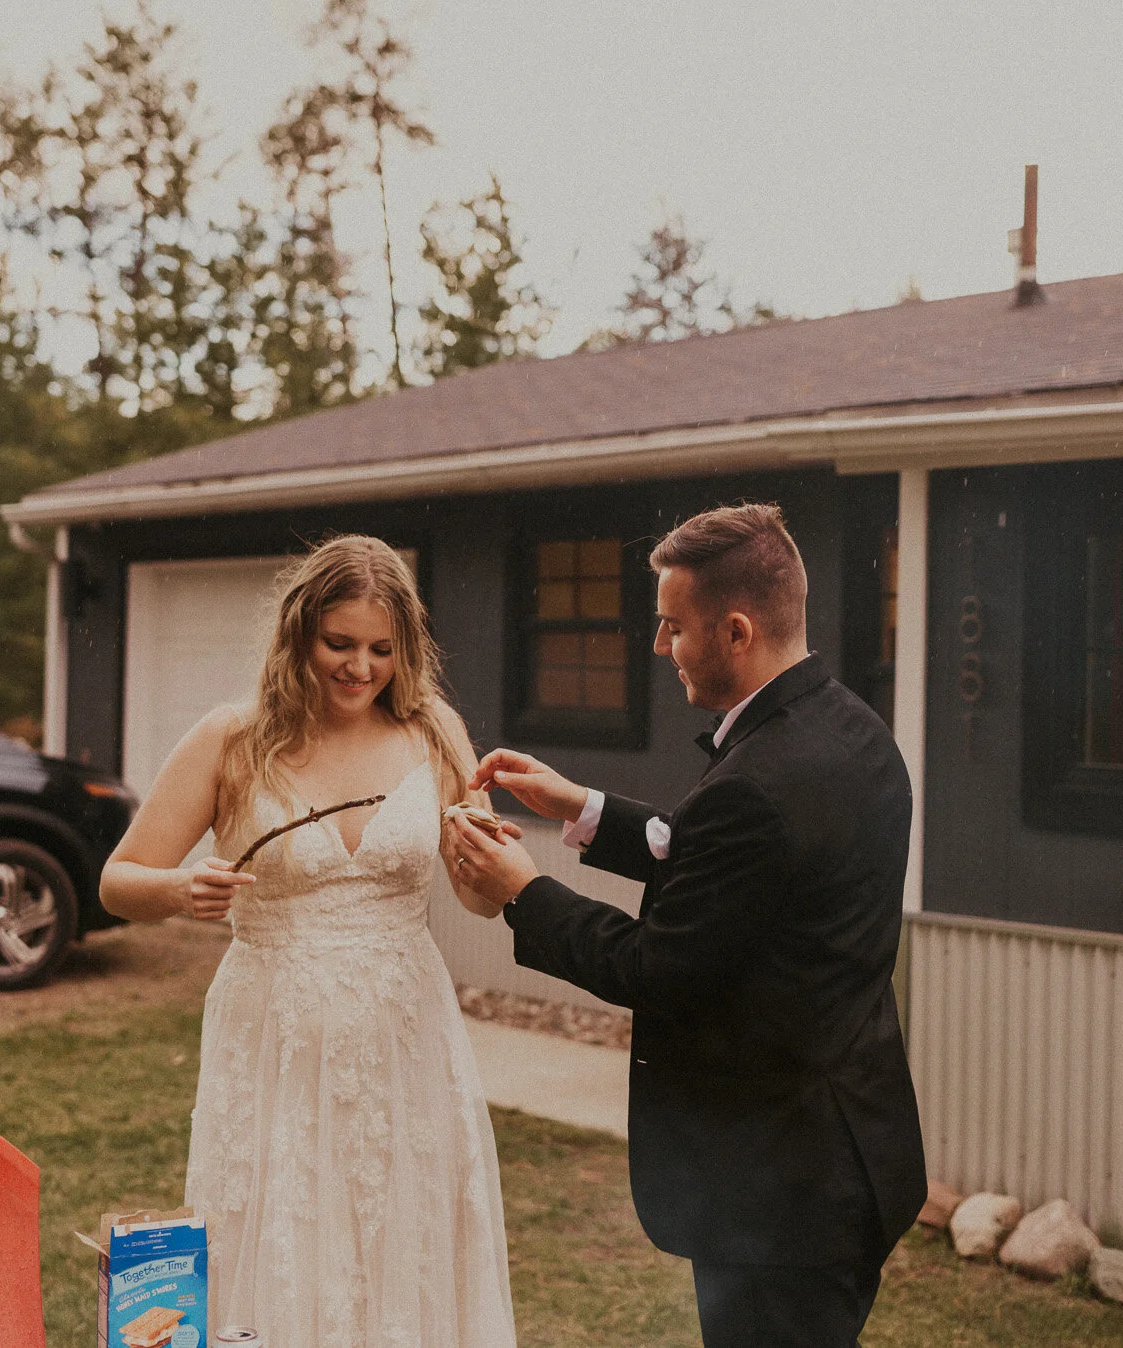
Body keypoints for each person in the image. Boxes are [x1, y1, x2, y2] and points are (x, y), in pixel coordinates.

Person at [442, 502, 926, 1348]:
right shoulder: (850, 730)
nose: (659, 647)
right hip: (847, 1154)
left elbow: (658, 968)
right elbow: (741, 879)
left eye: (672, 626)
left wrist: (523, 890)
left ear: (735, 630)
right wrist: (583, 808)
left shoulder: (759, 782)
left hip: (781, 1200)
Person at [102, 534, 518, 1348]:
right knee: (286, 1228)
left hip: (407, 1034)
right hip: (275, 1040)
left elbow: (475, 897)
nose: (360, 667)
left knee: (406, 1228)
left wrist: (491, 864)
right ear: (298, 633)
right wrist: (182, 888)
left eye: (380, 650)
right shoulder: (234, 738)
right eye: (339, 644)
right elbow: (118, 878)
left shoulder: (434, 732)